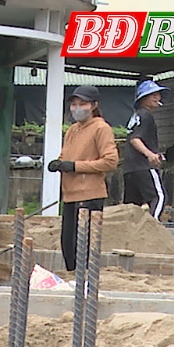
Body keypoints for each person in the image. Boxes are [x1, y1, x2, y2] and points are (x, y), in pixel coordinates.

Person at [47, 84, 118, 272]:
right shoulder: (73, 130)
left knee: (82, 248)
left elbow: (110, 162)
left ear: (94, 105)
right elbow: (66, 156)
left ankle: (84, 285)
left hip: (89, 196)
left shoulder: (101, 128)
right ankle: (74, 281)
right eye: (74, 104)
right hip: (70, 195)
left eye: (83, 104)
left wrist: (76, 166)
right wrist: (59, 163)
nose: (77, 108)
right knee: (68, 246)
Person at [122, 79, 170, 220]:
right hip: (144, 167)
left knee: (132, 206)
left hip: (130, 169)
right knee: (159, 197)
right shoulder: (146, 115)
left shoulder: (136, 116)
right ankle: (153, 227)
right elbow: (135, 139)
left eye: (158, 94)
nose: (157, 97)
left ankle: (130, 233)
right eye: (152, 94)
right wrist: (150, 155)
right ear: (143, 98)